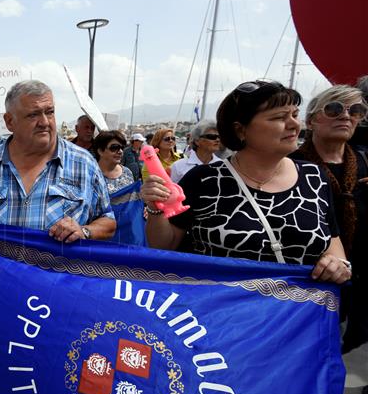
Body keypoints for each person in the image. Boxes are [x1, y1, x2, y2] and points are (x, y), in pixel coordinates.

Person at [142, 80, 351, 284]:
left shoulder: (314, 177)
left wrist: (338, 264)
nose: (295, 124)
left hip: (296, 314)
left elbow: (333, 243)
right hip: (221, 313)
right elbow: (165, 246)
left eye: (295, 115)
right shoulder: (204, 179)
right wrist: (155, 207)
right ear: (241, 130)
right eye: (279, 117)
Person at [0, 80, 116, 242]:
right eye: (33, 114)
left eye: (49, 112)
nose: (44, 122)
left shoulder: (84, 163)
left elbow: (108, 222)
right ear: (10, 122)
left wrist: (84, 231)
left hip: (58, 269)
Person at [291, 85, 368, 356]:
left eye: (355, 111)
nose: (346, 116)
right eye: (335, 109)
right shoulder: (291, 164)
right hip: (309, 282)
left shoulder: (364, 162)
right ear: (312, 120)